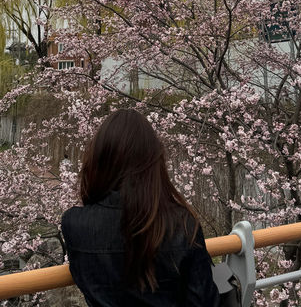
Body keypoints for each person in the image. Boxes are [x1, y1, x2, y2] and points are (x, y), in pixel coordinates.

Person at [61, 109, 220, 306]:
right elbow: (204, 301)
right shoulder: (182, 225)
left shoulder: (74, 224)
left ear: (98, 160)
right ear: (154, 164)